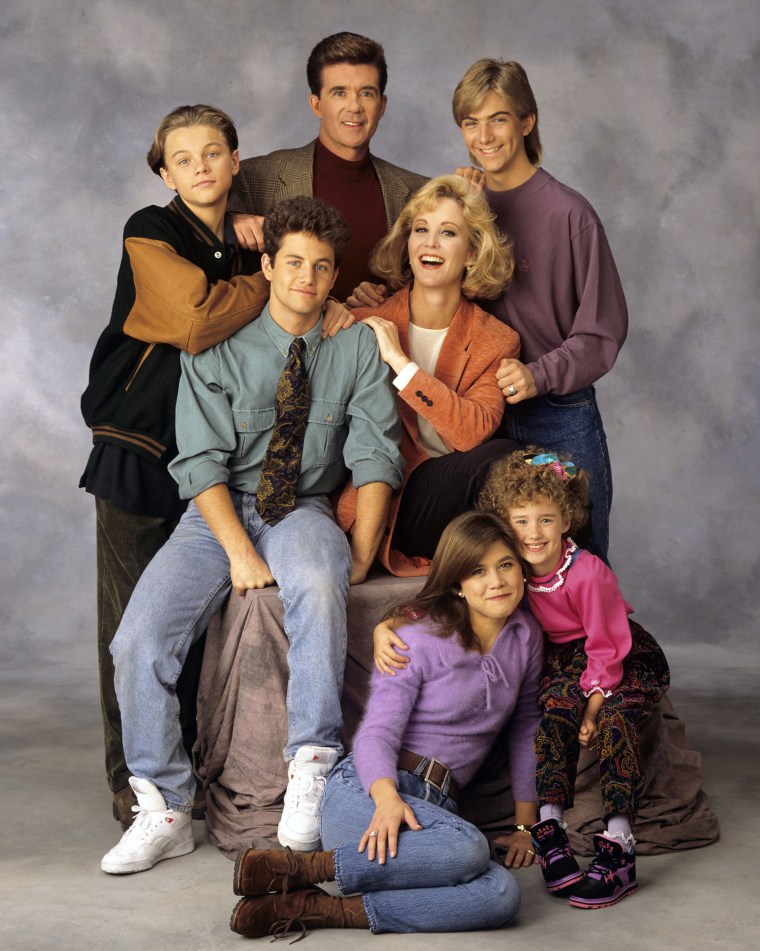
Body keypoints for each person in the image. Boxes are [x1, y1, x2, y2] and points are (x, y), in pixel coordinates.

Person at [99, 196, 404, 875]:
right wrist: (237, 550)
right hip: (217, 514)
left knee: (321, 586)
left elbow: (377, 453)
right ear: (267, 265)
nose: (306, 278)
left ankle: (311, 765)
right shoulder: (218, 347)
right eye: (292, 262)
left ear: (333, 275)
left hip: (303, 505)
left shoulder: (355, 343)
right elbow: (201, 461)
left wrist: (359, 553)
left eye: (321, 267)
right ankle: (166, 804)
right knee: (138, 639)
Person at [79, 104, 271, 829]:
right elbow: (193, 322)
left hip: (210, 457)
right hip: (137, 446)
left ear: (234, 162)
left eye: (213, 152)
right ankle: (134, 783)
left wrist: (252, 254)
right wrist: (258, 282)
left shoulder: (242, 238)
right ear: (164, 172)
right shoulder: (149, 229)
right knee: (133, 628)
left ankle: (191, 768)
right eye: (183, 157)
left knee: (192, 622)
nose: (199, 166)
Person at [229, 510, 543, 939]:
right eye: (477, 571)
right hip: (368, 790)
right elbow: (376, 732)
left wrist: (526, 828)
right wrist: (387, 798)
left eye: (506, 565)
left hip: (438, 807)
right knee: (470, 848)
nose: (497, 581)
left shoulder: (526, 636)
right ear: (456, 583)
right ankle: (304, 867)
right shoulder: (417, 639)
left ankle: (318, 908)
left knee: (501, 895)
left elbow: (527, 727)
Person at [452, 59, 629, 564]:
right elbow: (432, 291)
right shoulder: (464, 205)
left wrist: (537, 375)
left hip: (559, 415)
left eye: (498, 119)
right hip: (481, 412)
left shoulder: (570, 213)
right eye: (470, 122)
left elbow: (602, 331)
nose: (483, 136)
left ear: (527, 121)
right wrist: (463, 213)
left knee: (580, 562)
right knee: (495, 567)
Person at [477, 447, 670, 908]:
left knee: (617, 719)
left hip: (620, 653)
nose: (533, 532)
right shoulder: (514, 567)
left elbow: (607, 645)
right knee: (555, 715)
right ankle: (550, 829)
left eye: (545, 520)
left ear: (566, 520)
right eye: (521, 521)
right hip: (565, 659)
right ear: (505, 523)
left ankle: (619, 844)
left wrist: (595, 704)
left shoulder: (587, 573)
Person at [337, 174, 522, 576]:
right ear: (407, 244)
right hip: (389, 502)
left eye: (448, 233)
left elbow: (471, 433)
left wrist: (401, 364)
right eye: (420, 230)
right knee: (502, 459)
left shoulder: (497, 340)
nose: (430, 243)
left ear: (472, 253)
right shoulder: (367, 322)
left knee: (511, 458)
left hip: (457, 497)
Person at [228, 32, 428, 300]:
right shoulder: (252, 178)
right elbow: (187, 228)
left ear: (382, 105)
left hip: (377, 338)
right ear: (317, 104)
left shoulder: (419, 193)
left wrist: (387, 299)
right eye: (339, 92)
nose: (354, 107)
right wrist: (228, 223)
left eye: (366, 93)